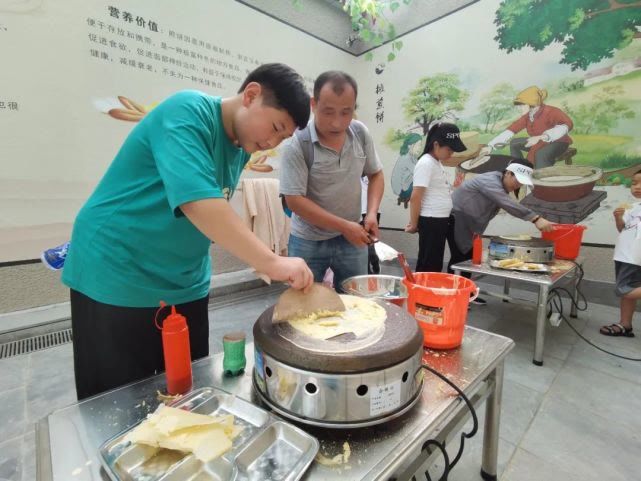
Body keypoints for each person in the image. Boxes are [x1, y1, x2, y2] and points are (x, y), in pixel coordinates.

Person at [62, 63, 314, 400]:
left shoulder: (240, 148)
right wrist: (273, 262)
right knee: (116, 405)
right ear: (251, 96)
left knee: (184, 393)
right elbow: (198, 203)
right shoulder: (187, 111)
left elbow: (208, 216)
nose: (271, 142)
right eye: (275, 128)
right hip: (116, 270)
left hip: (183, 282)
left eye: (281, 139)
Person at [448, 159, 554, 304]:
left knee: (467, 258)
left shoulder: (500, 185)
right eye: (518, 180)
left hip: (471, 224)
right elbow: (507, 203)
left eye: (522, 182)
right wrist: (536, 218)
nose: (519, 184)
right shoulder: (489, 181)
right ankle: (452, 298)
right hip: (457, 219)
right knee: (459, 260)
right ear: (508, 173)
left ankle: (465, 294)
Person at [405, 123, 467, 273]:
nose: (451, 154)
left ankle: (429, 294)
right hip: (431, 220)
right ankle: (421, 295)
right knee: (429, 264)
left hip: (439, 219)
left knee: (434, 263)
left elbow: (436, 191)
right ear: (436, 145)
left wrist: (454, 188)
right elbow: (415, 197)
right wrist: (414, 224)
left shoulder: (435, 162)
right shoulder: (426, 163)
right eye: (450, 149)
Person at [483, 86, 573, 169]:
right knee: (514, 143)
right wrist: (490, 146)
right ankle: (519, 168)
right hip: (538, 141)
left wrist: (540, 137)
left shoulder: (551, 111)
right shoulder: (528, 116)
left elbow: (566, 125)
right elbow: (511, 130)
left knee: (540, 154)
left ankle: (541, 180)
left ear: (531, 103)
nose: (519, 108)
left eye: (521, 105)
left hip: (558, 142)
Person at [600, 170, 641, 337]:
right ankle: (625, 324)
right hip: (624, 255)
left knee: (623, 290)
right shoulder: (634, 207)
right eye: (634, 183)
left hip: (635, 256)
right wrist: (618, 218)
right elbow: (622, 229)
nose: (637, 187)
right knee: (629, 291)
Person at [361, 176, 381, 274]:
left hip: (368, 212)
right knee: (365, 242)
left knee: (367, 242)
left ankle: (373, 266)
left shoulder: (370, 170)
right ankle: (372, 266)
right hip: (362, 210)